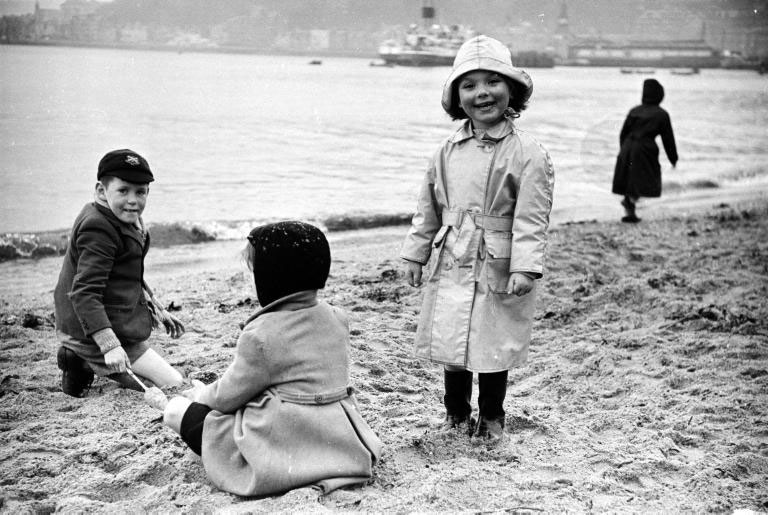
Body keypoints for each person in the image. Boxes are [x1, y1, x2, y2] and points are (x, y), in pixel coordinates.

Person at [144, 221, 383, 497]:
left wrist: (199, 396)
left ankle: (179, 408)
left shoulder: (262, 335)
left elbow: (227, 396)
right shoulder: (337, 318)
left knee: (177, 410)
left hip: (284, 449)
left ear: (272, 277)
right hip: (340, 443)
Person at [400, 35, 554, 443]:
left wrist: (525, 265)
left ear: (511, 90)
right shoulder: (446, 151)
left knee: (492, 343)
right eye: (469, 85)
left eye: (492, 83)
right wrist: (416, 254)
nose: (481, 93)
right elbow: (428, 208)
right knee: (452, 340)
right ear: (456, 96)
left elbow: (531, 217)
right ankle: (455, 415)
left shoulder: (528, 153)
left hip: (497, 260)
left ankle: (491, 418)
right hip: (453, 254)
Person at [53, 149, 185, 398]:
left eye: (141, 191)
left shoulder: (125, 218)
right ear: (101, 191)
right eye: (123, 191)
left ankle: (82, 357)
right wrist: (109, 345)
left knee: (171, 382)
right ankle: (78, 359)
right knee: (167, 385)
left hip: (114, 316)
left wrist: (157, 307)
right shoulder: (98, 229)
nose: (133, 200)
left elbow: (127, 272)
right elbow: (84, 293)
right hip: (88, 325)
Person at [612, 78, 678, 223]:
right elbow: (668, 140)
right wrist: (673, 158)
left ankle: (630, 210)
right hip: (644, 148)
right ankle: (630, 206)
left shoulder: (634, 111)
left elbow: (623, 133)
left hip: (628, 146)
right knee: (642, 179)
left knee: (629, 179)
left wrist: (623, 149)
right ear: (660, 95)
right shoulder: (661, 114)